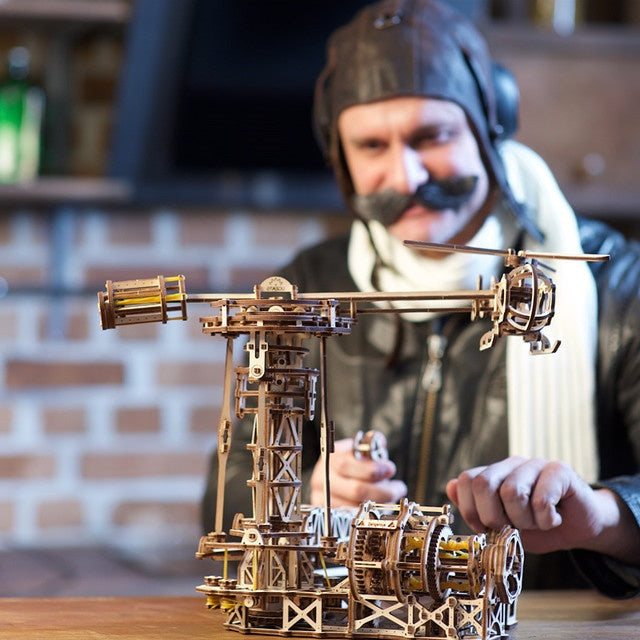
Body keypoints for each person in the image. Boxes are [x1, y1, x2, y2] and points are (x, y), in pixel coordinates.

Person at [203, 0, 640, 596]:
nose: (405, 177)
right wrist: (304, 494)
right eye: (372, 148)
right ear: (341, 159)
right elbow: (221, 504)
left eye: (431, 136)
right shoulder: (301, 295)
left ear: (490, 127)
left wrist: (603, 513)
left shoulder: (616, 286)